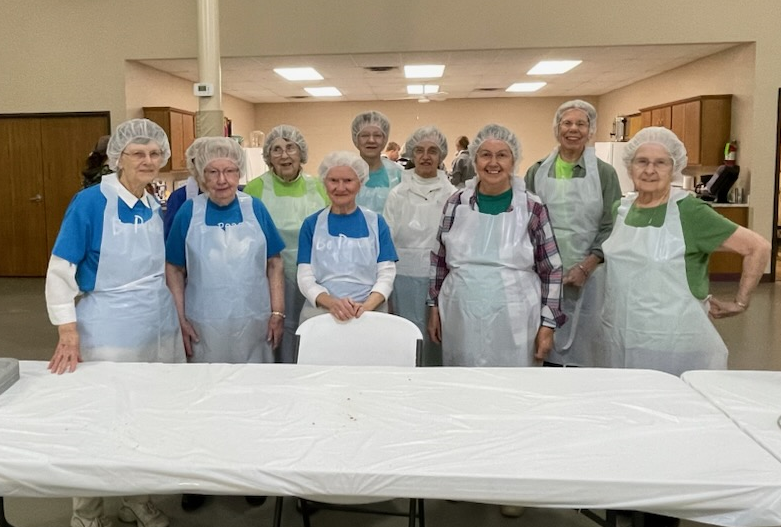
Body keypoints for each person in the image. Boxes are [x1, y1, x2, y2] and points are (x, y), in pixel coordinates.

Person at [45, 118, 184, 527]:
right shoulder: (91, 203)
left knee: (145, 416)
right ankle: (87, 513)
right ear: (117, 158)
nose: (148, 160)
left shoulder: (152, 202)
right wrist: (68, 331)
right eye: (137, 153)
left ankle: (136, 499)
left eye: (155, 153)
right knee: (99, 417)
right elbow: (59, 271)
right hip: (106, 324)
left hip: (155, 321)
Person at [426, 124, 565, 519]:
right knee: (463, 393)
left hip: (515, 312)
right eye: (485, 155)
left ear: (513, 161)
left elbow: (552, 269)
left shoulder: (532, 207)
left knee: (513, 397)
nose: (492, 163)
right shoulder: (456, 202)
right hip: (462, 309)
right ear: (474, 160)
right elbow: (438, 257)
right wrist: (433, 305)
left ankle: (512, 481)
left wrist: (548, 323)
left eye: (501, 155)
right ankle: (464, 474)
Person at [165, 137, 284, 512]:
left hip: (254, 320)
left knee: (253, 399)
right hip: (205, 322)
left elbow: (275, 264)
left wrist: (278, 312)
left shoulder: (256, 209)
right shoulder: (188, 213)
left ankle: (250, 471)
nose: (222, 180)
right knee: (203, 399)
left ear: (239, 173)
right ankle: (199, 476)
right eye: (213, 172)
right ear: (200, 175)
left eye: (230, 171)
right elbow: (174, 268)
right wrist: (180, 318)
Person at [603, 126, 770, 378]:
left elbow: (758, 247)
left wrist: (740, 302)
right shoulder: (621, 209)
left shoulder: (689, 211)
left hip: (676, 345)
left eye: (660, 163)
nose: (650, 170)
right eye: (642, 162)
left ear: (674, 168)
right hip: (622, 337)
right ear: (629, 167)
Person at [524, 100, 621, 367]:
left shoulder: (604, 174)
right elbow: (527, 223)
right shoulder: (537, 171)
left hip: (591, 273)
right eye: (567, 123)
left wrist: (587, 265)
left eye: (581, 123)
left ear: (590, 130)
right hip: (544, 272)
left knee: (588, 340)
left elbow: (610, 224)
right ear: (557, 129)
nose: (573, 129)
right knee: (546, 339)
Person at [243, 125, 329, 363]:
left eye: (290, 148)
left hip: (313, 274)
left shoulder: (319, 186)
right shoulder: (254, 189)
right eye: (276, 149)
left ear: (301, 152)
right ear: (268, 157)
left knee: (310, 328)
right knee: (277, 331)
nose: (284, 155)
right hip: (270, 275)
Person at [297, 151, 397, 323]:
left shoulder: (376, 223)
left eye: (348, 181)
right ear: (324, 183)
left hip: (369, 314)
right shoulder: (311, 224)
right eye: (333, 181)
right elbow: (305, 277)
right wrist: (333, 304)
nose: (340, 188)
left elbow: (386, 274)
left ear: (360, 183)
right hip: (321, 315)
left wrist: (365, 307)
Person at [383, 126, 455, 366]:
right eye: (420, 150)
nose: (426, 156)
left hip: (440, 281)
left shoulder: (452, 195)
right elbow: (387, 243)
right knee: (405, 341)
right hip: (402, 278)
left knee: (436, 341)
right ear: (412, 155)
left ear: (441, 155)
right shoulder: (397, 194)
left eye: (432, 151)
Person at [351, 111, 402, 213]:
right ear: (356, 139)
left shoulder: (398, 175)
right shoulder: (344, 174)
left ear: (385, 140)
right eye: (364, 135)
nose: (371, 140)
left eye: (377, 135)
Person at [163, 137, 209, 239]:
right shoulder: (179, 197)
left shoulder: (237, 196)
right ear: (193, 163)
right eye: (201, 161)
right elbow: (170, 239)